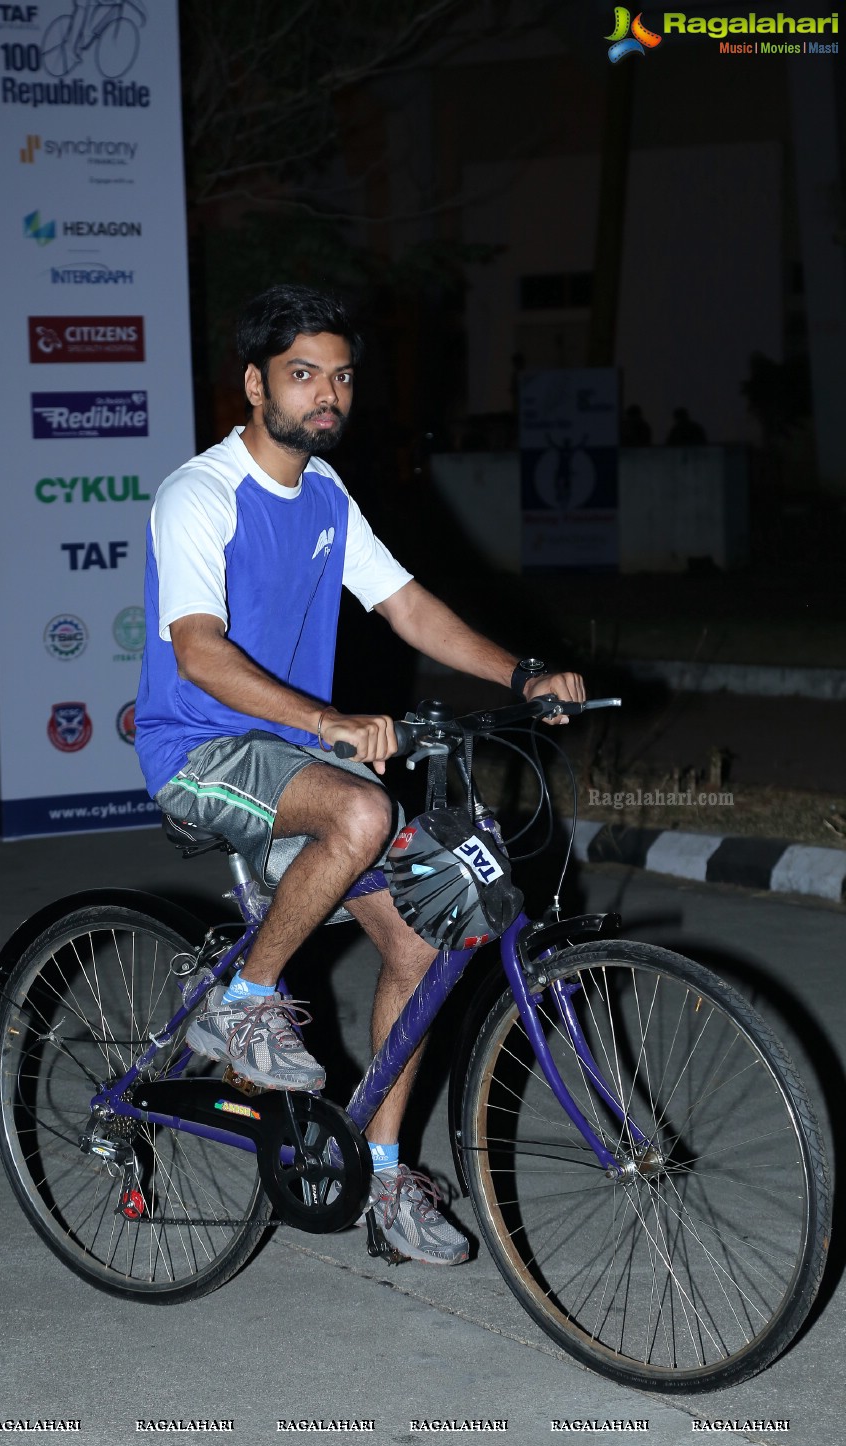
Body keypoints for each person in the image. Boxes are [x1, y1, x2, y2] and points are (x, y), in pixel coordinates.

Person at [134, 285, 585, 1265]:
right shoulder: (199, 493)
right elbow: (200, 654)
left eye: (339, 377)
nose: (325, 395)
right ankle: (245, 1005)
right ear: (255, 384)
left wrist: (520, 671)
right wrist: (329, 723)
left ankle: (380, 1178)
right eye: (303, 375)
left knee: (425, 945)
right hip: (199, 752)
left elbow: (409, 607)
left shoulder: (327, 496)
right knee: (362, 809)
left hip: (294, 761)